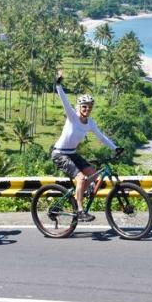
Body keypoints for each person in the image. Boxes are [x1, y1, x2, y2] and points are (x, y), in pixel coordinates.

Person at [51, 71, 123, 222]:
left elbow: (101, 137)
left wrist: (115, 147)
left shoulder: (90, 122)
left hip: (72, 152)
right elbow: (64, 101)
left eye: (89, 107)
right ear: (79, 107)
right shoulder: (72, 117)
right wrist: (58, 84)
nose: (87, 109)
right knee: (82, 178)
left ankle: (79, 194)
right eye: (84, 107)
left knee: (94, 175)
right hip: (59, 154)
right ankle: (80, 211)